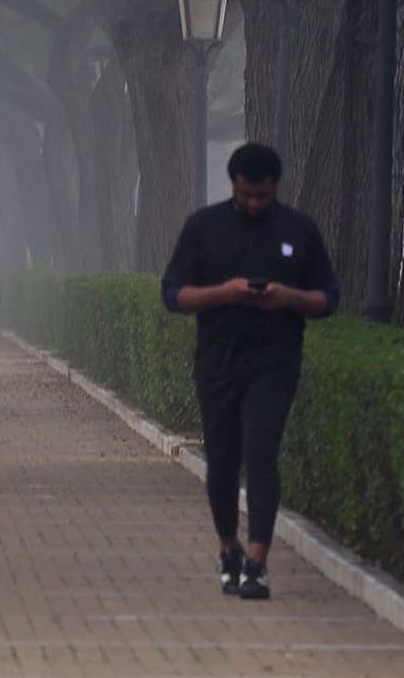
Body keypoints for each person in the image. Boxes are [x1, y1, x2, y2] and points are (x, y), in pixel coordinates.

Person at [160, 143, 338, 601]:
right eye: (245, 195)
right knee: (221, 463)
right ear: (233, 186)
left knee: (261, 453)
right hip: (218, 362)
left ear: (274, 187)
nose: (254, 203)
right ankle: (229, 547)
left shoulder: (298, 230)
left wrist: (287, 297)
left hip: (274, 362)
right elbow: (173, 294)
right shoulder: (204, 227)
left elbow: (327, 299)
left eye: (261, 196)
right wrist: (225, 292)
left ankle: (257, 562)